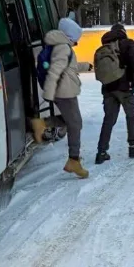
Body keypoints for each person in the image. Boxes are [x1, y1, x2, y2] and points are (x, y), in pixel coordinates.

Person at [41, 17, 90, 178]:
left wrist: (86, 66)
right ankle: (73, 161)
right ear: (69, 36)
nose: (76, 43)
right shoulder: (63, 48)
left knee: (71, 121)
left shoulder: (62, 46)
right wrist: (48, 93)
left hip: (66, 90)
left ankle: (40, 124)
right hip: (64, 92)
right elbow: (55, 71)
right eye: (75, 40)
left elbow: (70, 67)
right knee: (76, 124)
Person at [94, 24, 134, 165]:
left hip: (108, 88)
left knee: (108, 119)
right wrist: (133, 82)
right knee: (130, 115)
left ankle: (101, 152)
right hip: (124, 87)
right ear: (123, 32)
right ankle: (133, 146)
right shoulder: (128, 44)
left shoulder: (104, 46)